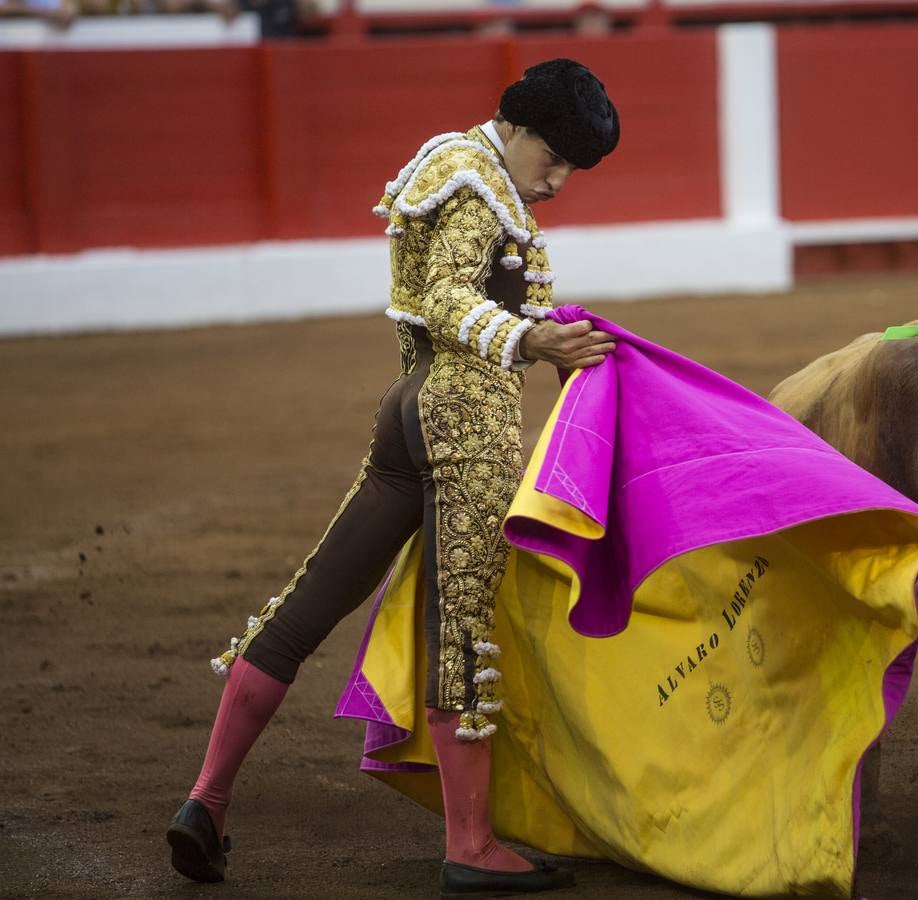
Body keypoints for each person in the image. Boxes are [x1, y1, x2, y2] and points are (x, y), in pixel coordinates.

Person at [165, 58, 620, 896]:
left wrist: (547, 332)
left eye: (572, 168)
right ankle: (472, 844)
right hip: (467, 419)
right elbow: (448, 296)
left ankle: (207, 799)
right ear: (514, 125)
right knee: (462, 632)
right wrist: (531, 343)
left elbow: (453, 296)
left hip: (407, 410)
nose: (558, 178)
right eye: (553, 155)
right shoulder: (481, 180)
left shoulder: (450, 162)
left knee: (308, 604)